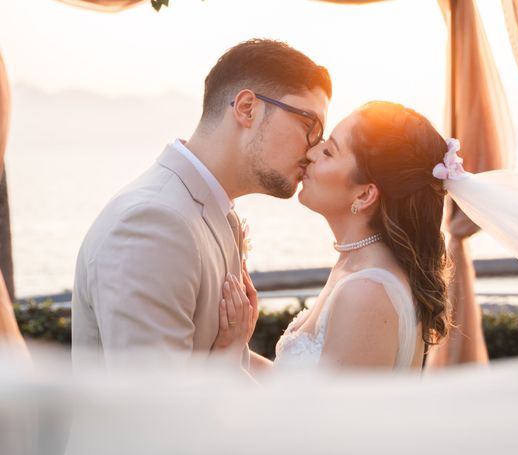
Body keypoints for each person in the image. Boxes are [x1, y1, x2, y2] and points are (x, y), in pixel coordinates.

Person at [71, 39, 331, 367]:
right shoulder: (151, 223)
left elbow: (222, 361)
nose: (312, 151)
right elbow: (155, 408)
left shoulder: (212, 214)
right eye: (310, 127)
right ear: (247, 108)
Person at [218, 101, 489, 370]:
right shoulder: (357, 265)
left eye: (329, 152)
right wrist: (237, 347)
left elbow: (322, 415)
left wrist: (228, 359)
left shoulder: (367, 292)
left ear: (364, 194)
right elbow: (294, 390)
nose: (311, 153)